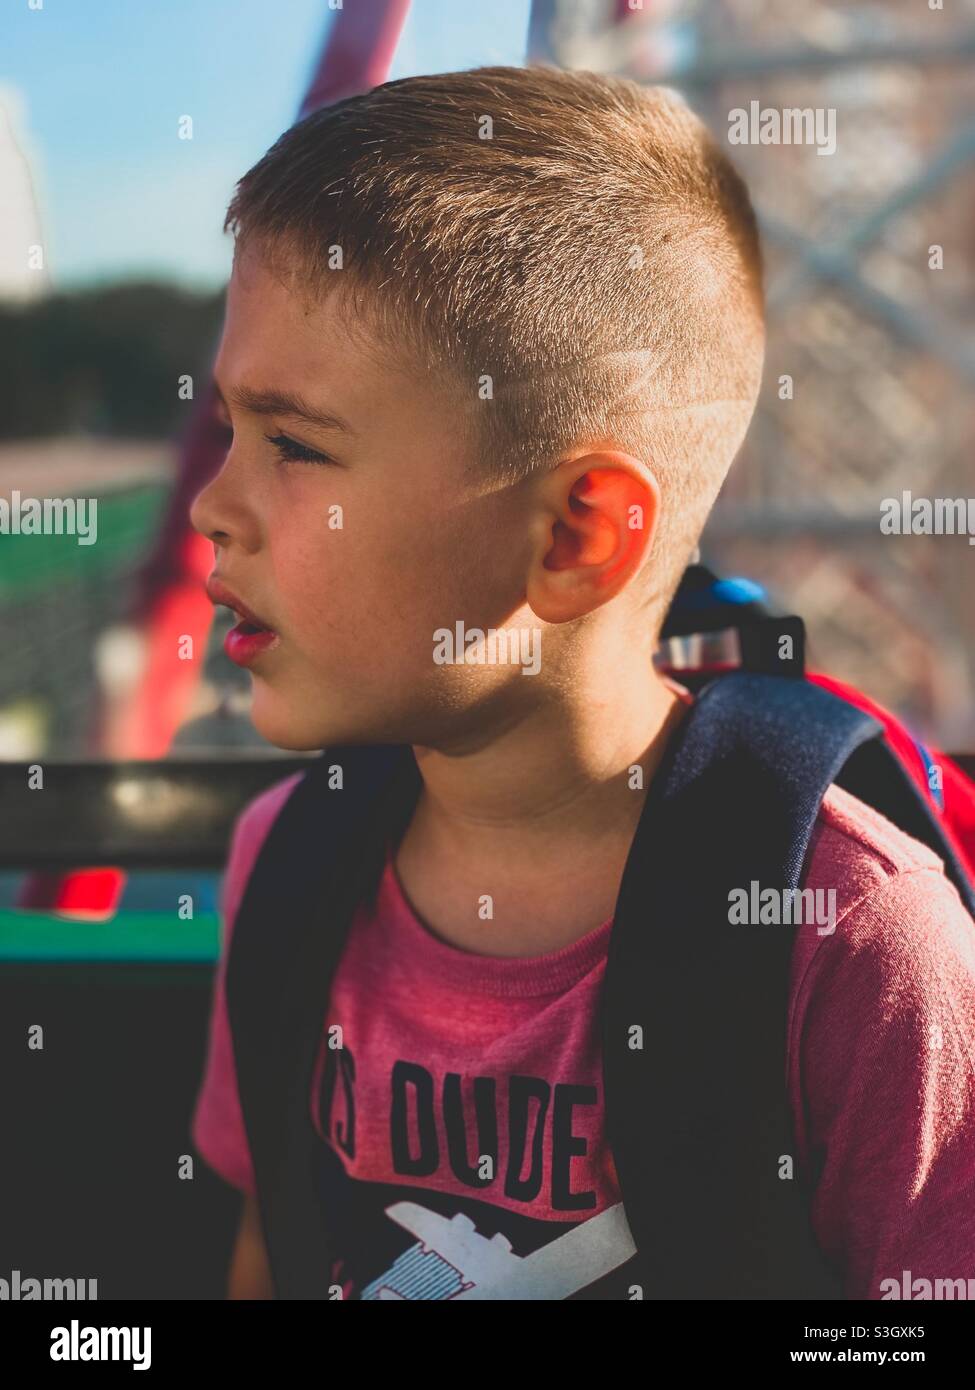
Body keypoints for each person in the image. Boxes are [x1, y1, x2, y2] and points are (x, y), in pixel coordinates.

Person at [188, 65, 975, 1301]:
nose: (211, 506)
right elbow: (269, 1250)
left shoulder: (858, 940)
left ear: (575, 537)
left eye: (293, 444)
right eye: (227, 425)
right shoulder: (280, 861)